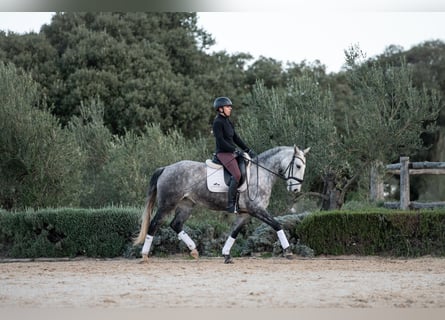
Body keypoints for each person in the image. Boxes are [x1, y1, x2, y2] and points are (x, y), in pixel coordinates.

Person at [212, 96, 256, 213]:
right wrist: (234, 150)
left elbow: (236, 138)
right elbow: (221, 141)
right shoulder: (217, 123)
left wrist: (247, 149)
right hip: (223, 153)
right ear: (220, 109)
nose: (230, 108)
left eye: (230, 106)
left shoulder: (227, 121)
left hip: (231, 152)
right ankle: (230, 204)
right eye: (228, 106)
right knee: (236, 175)